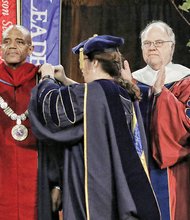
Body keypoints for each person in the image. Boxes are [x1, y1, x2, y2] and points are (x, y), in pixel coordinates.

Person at [28, 35, 161, 220]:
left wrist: (47, 78)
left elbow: (52, 108)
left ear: (95, 63)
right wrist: (66, 80)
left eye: (84, 62)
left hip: (95, 188)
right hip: (121, 190)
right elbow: (89, 103)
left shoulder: (94, 92)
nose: (82, 69)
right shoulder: (123, 93)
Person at [131, 21, 190, 220]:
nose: (152, 47)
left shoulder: (186, 80)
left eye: (158, 42)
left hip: (174, 169)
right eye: (147, 43)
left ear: (171, 47)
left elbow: (186, 123)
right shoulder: (132, 81)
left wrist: (161, 94)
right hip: (138, 166)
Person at [0, 25, 39, 219]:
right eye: (6, 41)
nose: (12, 46)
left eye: (20, 41)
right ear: (0, 49)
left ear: (31, 49)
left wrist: (57, 183)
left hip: (36, 174)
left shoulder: (43, 80)